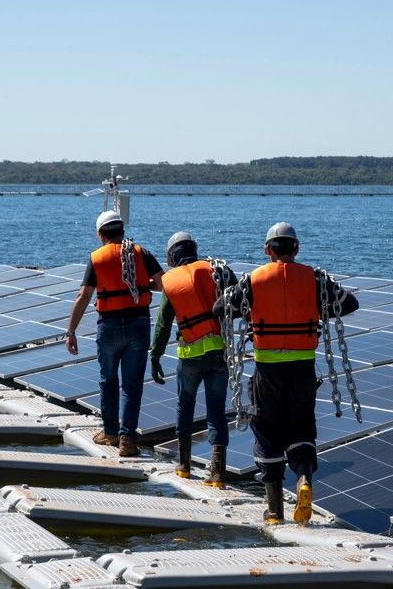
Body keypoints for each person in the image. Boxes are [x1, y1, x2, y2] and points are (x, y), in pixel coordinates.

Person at [214, 222, 358, 524]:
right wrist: (316, 308)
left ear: (268, 250)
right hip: (303, 368)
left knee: (267, 432)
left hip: (267, 371)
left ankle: (275, 510)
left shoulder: (253, 281)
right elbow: (350, 304)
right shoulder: (315, 279)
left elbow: (219, 308)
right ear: (296, 249)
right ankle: (304, 478)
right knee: (302, 428)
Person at [65, 210, 164, 457]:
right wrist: (142, 286)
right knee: (132, 385)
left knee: (108, 380)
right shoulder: (141, 253)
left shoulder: (96, 258)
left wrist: (71, 331)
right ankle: (127, 439)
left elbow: (83, 296)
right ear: (122, 230)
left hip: (108, 326)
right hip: (138, 323)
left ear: (100, 234)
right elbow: (162, 283)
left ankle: (110, 432)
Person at [149, 231, 236, 488]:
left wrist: (154, 357)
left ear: (173, 256)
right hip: (219, 352)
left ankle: (184, 465)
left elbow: (163, 324)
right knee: (216, 410)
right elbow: (238, 299)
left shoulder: (171, 281)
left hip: (189, 356)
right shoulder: (216, 270)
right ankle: (217, 473)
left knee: (185, 406)